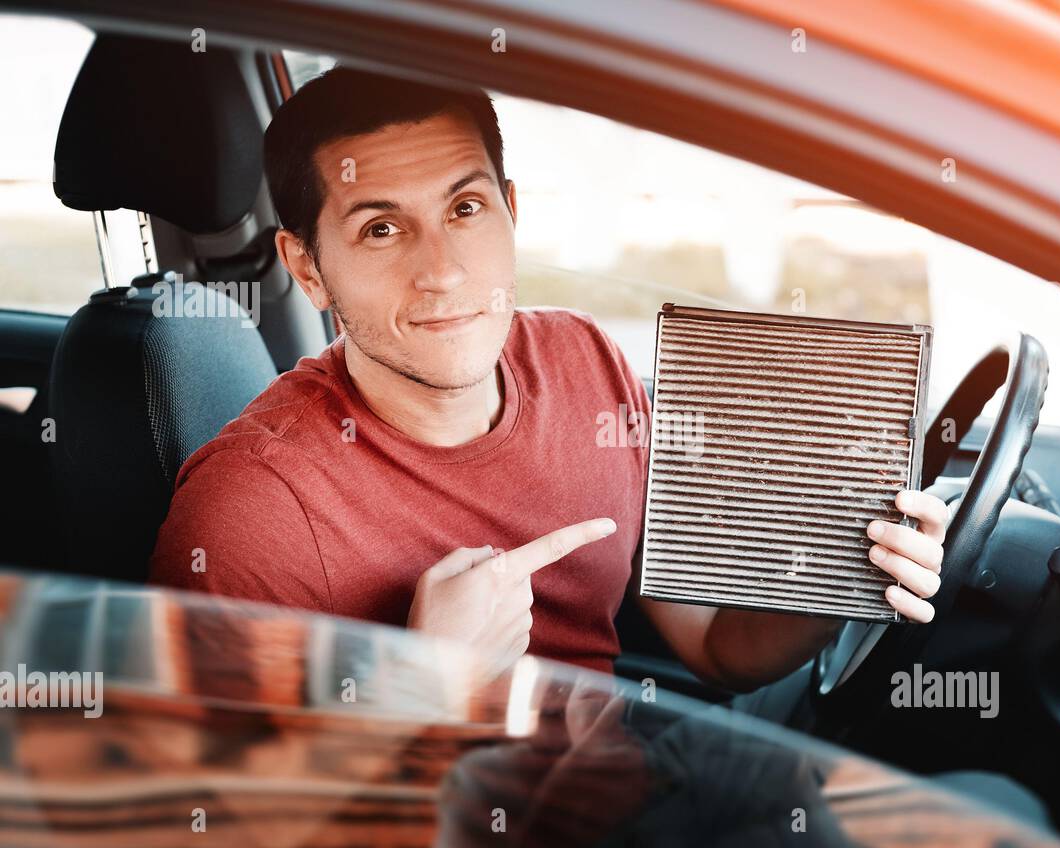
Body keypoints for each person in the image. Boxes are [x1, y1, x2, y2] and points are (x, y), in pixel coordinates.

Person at [147, 67, 948, 710]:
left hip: (631, 815)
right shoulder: (252, 512)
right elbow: (221, 827)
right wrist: (420, 688)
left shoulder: (584, 361)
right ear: (307, 269)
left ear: (512, 213)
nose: (444, 271)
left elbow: (718, 647)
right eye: (381, 229)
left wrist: (845, 572)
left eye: (465, 208)